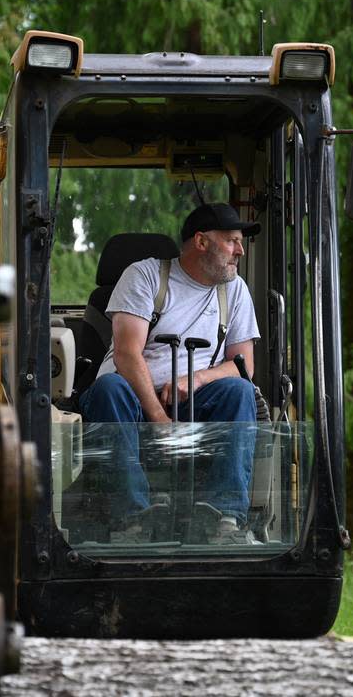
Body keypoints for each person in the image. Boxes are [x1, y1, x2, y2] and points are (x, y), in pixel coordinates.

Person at [79, 203, 262, 544]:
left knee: (240, 392)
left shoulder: (235, 289)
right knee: (109, 388)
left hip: (193, 400)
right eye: (232, 241)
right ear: (201, 242)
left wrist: (196, 380)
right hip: (132, 399)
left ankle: (224, 520)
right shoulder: (145, 276)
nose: (239, 251)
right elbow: (126, 355)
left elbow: (243, 366)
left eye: (240, 242)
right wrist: (159, 419)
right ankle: (131, 522)